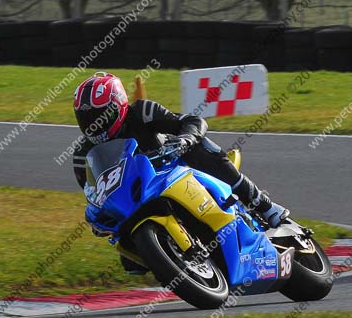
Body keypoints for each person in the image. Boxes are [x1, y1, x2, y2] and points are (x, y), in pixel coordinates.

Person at [71, 72, 290, 271]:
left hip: (175, 168)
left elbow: (192, 121)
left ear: (119, 106)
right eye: (86, 118)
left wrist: (186, 139)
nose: (94, 124)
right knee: (131, 262)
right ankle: (174, 258)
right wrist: (99, 217)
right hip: (136, 196)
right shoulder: (82, 155)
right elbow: (95, 194)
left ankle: (263, 204)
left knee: (201, 149)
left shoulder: (142, 112)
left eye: (100, 116)